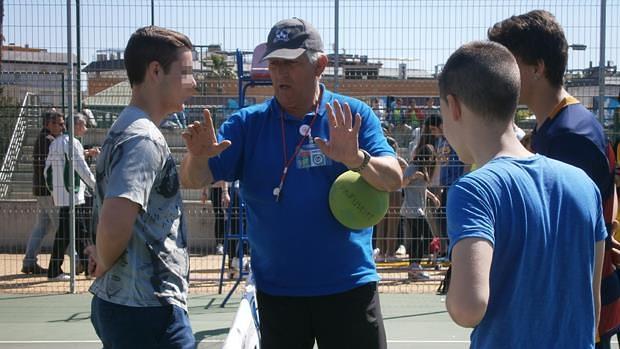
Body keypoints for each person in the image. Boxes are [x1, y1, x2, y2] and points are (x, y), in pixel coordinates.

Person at [180, 18, 401, 348]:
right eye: (274, 63)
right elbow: (194, 177)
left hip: (349, 287)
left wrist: (357, 159)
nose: (280, 73)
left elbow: (393, 178)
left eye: (291, 63)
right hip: (278, 293)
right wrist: (197, 157)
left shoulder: (351, 115)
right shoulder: (247, 124)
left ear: (320, 65)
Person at [440, 41, 605, 348]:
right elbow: (592, 303)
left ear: (454, 106)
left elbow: (467, 308)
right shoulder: (583, 184)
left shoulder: (474, 190)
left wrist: (453, 296)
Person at [489, 10, 620, 347]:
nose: (498, 73)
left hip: (575, 310)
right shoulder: (560, 125)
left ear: (537, 67)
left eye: (508, 61)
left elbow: (571, 238)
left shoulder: (569, 135)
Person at [84, 26, 196, 348]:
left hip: (133, 306)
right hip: (147, 311)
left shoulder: (127, 128)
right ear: (156, 71)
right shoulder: (143, 138)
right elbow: (116, 218)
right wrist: (105, 260)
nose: (193, 83)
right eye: (185, 72)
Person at [44, 112, 95, 280]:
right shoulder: (73, 143)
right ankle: (87, 268)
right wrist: (96, 186)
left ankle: (84, 267)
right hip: (73, 196)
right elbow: (82, 169)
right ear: (76, 126)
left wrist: (54, 192)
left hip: (63, 196)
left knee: (70, 233)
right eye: (84, 125)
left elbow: (47, 172)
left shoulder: (56, 143)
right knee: (76, 232)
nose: (86, 129)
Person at [21, 111, 64, 275]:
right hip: (48, 191)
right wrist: (54, 190)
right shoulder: (48, 141)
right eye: (59, 124)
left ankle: (29, 262)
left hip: (42, 190)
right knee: (63, 229)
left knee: (41, 227)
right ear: (49, 124)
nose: (63, 127)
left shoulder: (45, 139)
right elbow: (51, 169)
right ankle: (77, 262)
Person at [400, 143, 440, 280]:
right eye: (429, 157)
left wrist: (433, 197)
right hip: (412, 210)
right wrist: (412, 177)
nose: (430, 160)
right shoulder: (413, 168)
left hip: (418, 209)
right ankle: (416, 265)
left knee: (416, 238)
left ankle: (413, 268)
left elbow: (421, 188)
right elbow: (402, 184)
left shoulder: (425, 170)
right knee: (428, 237)